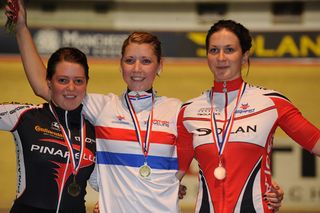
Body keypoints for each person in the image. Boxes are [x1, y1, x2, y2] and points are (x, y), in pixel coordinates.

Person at [5, 1, 285, 212]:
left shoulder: (180, 110)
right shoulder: (100, 106)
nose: (137, 69)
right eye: (129, 60)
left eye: (146, 61)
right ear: (121, 64)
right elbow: (46, 87)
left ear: (160, 66)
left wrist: (264, 188)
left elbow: (222, 152)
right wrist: (21, 29)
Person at [176, 19, 320, 213]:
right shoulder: (189, 111)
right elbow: (174, 173)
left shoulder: (271, 103)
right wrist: (172, 188)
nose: (220, 58)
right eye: (213, 50)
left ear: (244, 57)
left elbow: (315, 141)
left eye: (229, 50)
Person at [0, 46, 96, 212]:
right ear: (49, 82)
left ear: (86, 83)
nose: (71, 88)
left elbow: (105, 179)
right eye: (63, 80)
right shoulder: (26, 116)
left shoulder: (96, 127)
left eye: (78, 81)